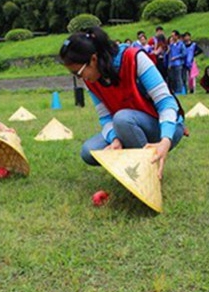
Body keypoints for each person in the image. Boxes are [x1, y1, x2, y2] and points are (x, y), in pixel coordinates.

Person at [59, 26, 186, 179]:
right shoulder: (91, 81)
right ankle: (136, 167)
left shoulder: (134, 58)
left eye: (78, 73)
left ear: (93, 59)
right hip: (127, 127)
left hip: (165, 128)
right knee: (89, 151)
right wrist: (115, 139)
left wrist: (165, 140)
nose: (80, 78)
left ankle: (146, 176)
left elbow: (166, 102)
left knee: (122, 118)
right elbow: (105, 118)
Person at [166, 30, 186, 94]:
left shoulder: (181, 44)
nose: (172, 37)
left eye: (173, 35)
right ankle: (175, 90)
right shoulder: (171, 45)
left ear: (177, 36)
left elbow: (184, 53)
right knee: (173, 78)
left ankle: (180, 91)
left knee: (178, 78)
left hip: (178, 63)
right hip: (172, 64)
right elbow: (169, 55)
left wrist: (176, 57)